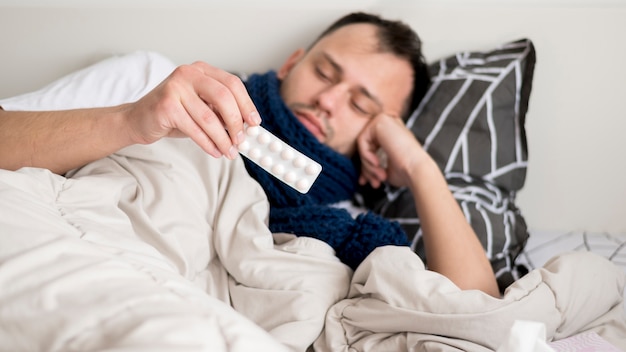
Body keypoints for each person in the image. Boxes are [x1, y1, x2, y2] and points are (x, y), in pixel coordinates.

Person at [0, 12, 499, 297]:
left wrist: (417, 165)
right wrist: (130, 121)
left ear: (380, 133)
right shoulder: (153, 85)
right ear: (292, 63)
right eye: (325, 73)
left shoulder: (351, 232)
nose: (328, 101)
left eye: (361, 104)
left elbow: (478, 310)